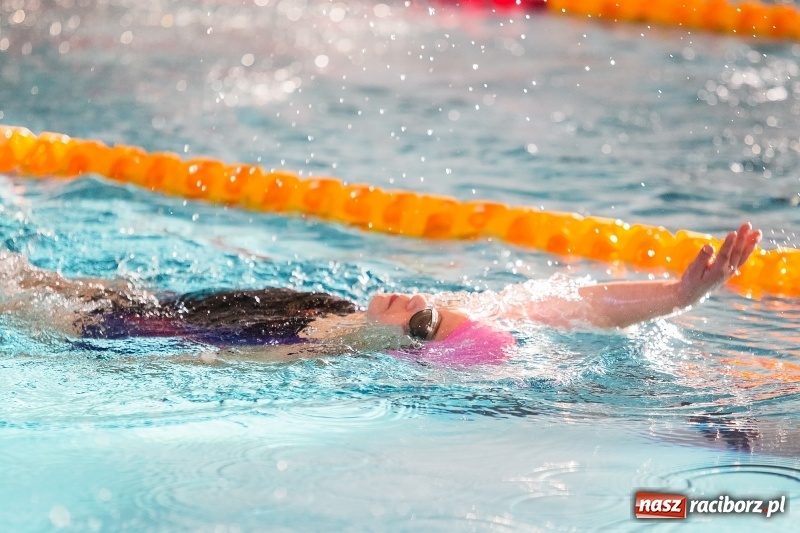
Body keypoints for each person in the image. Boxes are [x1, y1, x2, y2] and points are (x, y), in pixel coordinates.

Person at [0, 223, 762, 365]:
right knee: (70, 280)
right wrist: (678, 295)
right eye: (432, 308)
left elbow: (198, 362)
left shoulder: (312, 355)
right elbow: (583, 306)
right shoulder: (460, 319)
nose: (415, 302)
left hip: (188, 330)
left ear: (414, 349)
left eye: (423, 322)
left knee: (39, 300)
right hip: (255, 300)